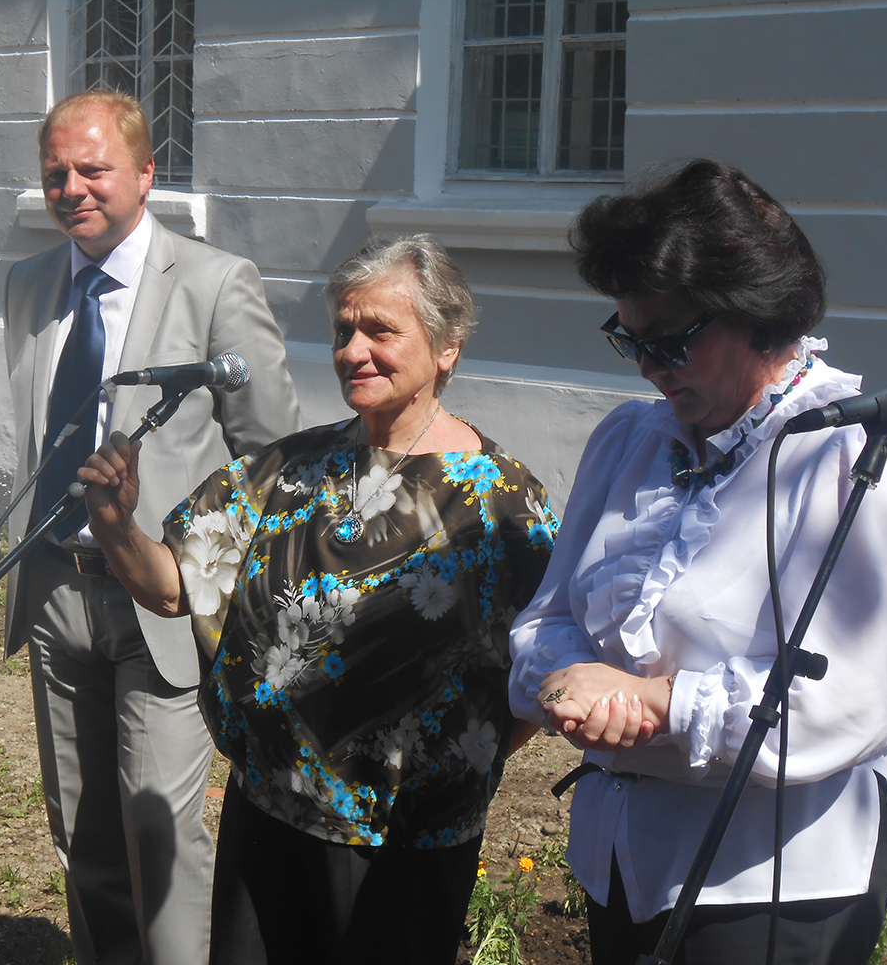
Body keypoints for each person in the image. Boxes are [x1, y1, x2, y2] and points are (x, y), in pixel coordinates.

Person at [508, 159, 887, 965]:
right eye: (628, 339)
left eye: (670, 341)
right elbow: (549, 616)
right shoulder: (627, 442)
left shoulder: (854, 462)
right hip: (626, 861)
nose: (647, 366)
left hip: (776, 883)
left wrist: (656, 704)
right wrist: (567, 679)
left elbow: (851, 698)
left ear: (762, 318)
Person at [79, 234, 561, 964]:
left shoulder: (501, 505)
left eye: (380, 330)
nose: (354, 350)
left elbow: (545, 666)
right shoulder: (292, 468)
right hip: (267, 811)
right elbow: (173, 587)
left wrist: (464, 760)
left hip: (400, 845)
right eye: (343, 331)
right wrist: (116, 525)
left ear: (446, 347)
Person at [1, 89, 301, 965]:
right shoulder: (28, 286)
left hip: (163, 602)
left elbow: (272, 458)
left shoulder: (213, 282)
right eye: (56, 172)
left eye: (94, 169)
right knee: (83, 833)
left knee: (155, 830)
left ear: (145, 174)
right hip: (57, 586)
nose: (73, 188)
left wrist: (207, 584)